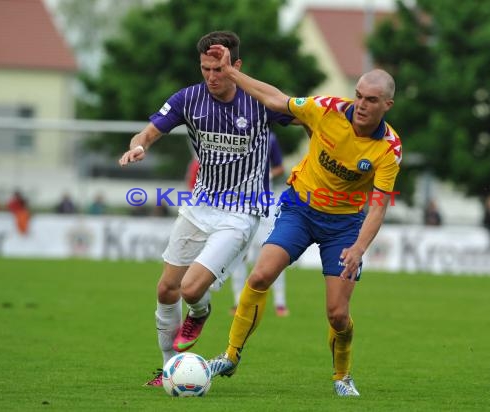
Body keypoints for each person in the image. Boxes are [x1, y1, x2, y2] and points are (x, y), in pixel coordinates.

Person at [205, 44, 402, 397]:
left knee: (337, 314)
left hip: (343, 226)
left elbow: (379, 206)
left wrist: (358, 248)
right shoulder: (326, 110)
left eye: (371, 100)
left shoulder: (388, 148)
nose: (361, 104)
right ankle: (230, 355)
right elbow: (277, 100)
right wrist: (231, 73)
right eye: (358, 96)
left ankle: (342, 377)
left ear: (387, 105)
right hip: (299, 208)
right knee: (261, 274)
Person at [117, 31, 295, 387]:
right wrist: (139, 146)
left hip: (242, 212)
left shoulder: (257, 100)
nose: (212, 77)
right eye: (206, 69)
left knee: (191, 290)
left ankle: (199, 311)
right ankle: (169, 368)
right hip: (199, 206)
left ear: (235, 66)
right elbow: (149, 132)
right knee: (166, 290)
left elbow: (291, 107)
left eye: (219, 68)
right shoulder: (189, 99)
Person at [229, 131, 289, 317]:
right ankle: (238, 300)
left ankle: (280, 302)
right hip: (239, 203)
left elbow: (280, 167)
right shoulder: (233, 136)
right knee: (238, 254)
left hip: (266, 204)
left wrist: (265, 175)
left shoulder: (269, 138)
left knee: (273, 253)